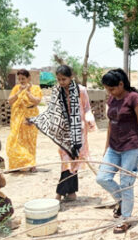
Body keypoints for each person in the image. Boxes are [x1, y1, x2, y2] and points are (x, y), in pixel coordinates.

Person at [29, 65, 96, 201]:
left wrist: (89, 118)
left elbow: (87, 108)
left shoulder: (81, 90)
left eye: (64, 79)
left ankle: (68, 193)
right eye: (59, 79)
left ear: (71, 77)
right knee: (65, 160)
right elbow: (51, 111)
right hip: (63, 131)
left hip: (78, 130)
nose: (61, 82)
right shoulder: (56, 91)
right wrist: (35, 120)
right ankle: (63, 193)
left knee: (74, 159)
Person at [96, 69, 138, 234]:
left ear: (121, 84)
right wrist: (106, 147)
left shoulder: (134, 98)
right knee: (102, 177)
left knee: (126, 184)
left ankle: (125, 218)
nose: (109, 92)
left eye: (112, 89)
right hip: (113, 146)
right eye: (107, 89)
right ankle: (121, 201)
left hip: (131, 147)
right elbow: (110, 124)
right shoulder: (112, 98)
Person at [6, 69, 42, 172]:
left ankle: (31, 164)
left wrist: (28, 92)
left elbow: (37, 101)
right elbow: (10, 101)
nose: (21, 81)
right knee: (15, 140)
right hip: (17, 117)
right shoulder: (16, 88)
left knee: (30, 140)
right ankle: (16, 165)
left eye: (23, 78)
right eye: (19, 79)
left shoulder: (36, 88)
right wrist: (19, 92)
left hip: (30, 117)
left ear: (29, 78)